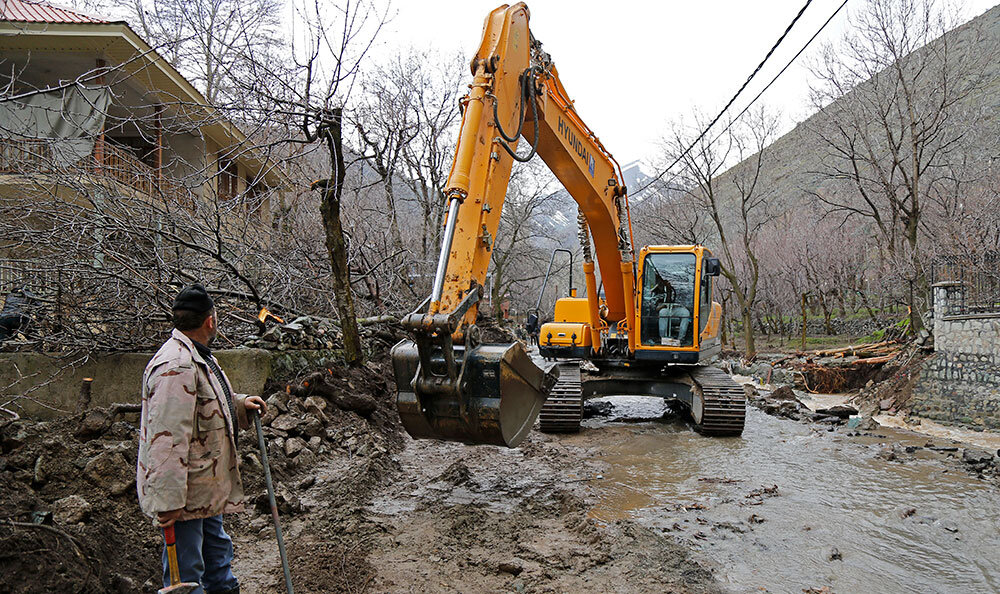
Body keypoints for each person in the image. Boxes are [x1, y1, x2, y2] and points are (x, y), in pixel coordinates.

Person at [136, 284, 267, 594]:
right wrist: (167, 502)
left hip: (203, 487)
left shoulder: (195, 355)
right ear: (210, 321)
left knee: (218, 558)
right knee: (187, 575)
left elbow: (203, 402)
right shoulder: (176, 366)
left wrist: (239, 404)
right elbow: (165, 437)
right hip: (184, 494)